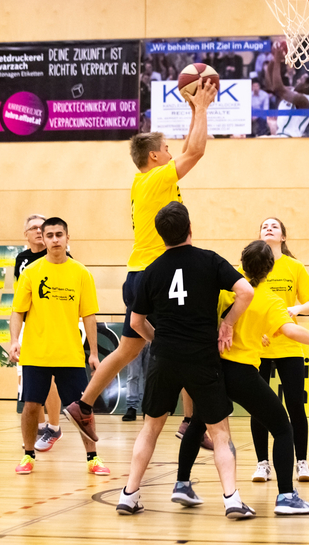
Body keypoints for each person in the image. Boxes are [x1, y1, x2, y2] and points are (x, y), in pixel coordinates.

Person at [63, 81, 218, 442]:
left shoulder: (144, 181)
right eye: (166, 149)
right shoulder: (155, 180)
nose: (171, 152)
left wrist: (194, 110)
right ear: (154, 157)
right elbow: (195, 151)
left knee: (129, 347)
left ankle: (83, 406)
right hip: (157, 273)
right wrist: (205, 107)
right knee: (187, 341)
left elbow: (186, 148)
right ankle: (190, 423)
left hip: (137, 273)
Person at [176, 240, 309, 515]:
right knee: (282, 428)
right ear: (270, 269)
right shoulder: (269, 298)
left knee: (198, 423)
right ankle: (286, 497)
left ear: (242, 263)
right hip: (241, 373)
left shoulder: (226, 290)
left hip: (212, 370)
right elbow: (292, 332)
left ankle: (182, 484)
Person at [117, 202, 256, 519]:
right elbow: (245, 292)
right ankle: (232, 499)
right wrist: (228, 323)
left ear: (161, 235)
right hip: (202, 356)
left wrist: (160, 341)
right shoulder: (209, 261)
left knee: (150, 429)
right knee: (219, 431)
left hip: (165, 356)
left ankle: (129, 494)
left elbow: (137, 324)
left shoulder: (150, 272)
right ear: (190, 228)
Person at [9, 217, 109, 476]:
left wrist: (95, 354)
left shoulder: (81, 273)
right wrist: (13, 341)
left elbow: (89, 316)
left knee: (82, 409)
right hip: (35, 353)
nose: (54, 239)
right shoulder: (30, 272)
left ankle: (92, 458)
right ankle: (28, 455)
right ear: (43, 238)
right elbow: (17, 312)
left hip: (70, 354)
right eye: (49, 235)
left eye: (59, 235)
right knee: (31, 406)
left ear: (67, 238)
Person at [251, 217, 309, 483]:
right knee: (259, 407)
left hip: (289, 344)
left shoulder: (294, 267)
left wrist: (297, 309)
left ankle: (301, 462)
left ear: (283, 237)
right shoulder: (251, 268)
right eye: (264, 226)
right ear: (259, 236)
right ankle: (262, 464)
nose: (269, 228)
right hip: (259, 346)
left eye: (274, 226)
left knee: (295, 405)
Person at [14, 213, 63, 451]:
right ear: (27, 234)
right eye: (33, 228)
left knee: (51, 376)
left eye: (40, 228)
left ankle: (54, 427)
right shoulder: (21, 260)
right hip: (29, 323)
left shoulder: (57, 254)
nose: (37, 231)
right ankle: (42, 426)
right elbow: (19, 295)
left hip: (55, 324)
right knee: (29, 376)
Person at [267, 43, 309, 137]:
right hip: (280, 137)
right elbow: (273, 86)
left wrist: (278, 61)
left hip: (291, 140)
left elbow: (279, 88)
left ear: (306, 86)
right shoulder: (293, 91)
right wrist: (273, 60)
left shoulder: (305, 101)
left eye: (301, 80)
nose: (297, 80)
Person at [122, 343, 150, 421]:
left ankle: (147, 407)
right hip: (135, 339)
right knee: (132, 375)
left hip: (152, 339)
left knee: (149, 377)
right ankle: (131, 408)